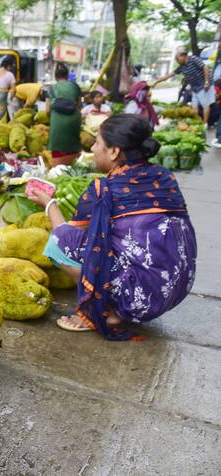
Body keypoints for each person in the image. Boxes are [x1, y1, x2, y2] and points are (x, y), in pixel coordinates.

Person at [28, 114, 197, 341]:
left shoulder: (103, 189)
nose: (93, 148)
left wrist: (50, 205)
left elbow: (66, 234)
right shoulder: (164, 176)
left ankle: (109, 311)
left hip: (139, 298)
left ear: (114, 152)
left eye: (97, 142)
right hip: (176, 289)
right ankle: (120, 302)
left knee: (57, 242)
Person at [152, 50, 213, 124]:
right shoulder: (181, 67)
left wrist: (207, 82)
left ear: (183, 56)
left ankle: (205, 123)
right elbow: (168, 76)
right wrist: (156, 82)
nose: (177, 61)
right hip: (195, 89)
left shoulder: (193, 59)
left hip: (203, 86)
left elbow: (205, 67)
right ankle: (196, 123)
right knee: (194, 108)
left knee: (205, 105)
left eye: (177, 59)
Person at [46, 63, 82, 166]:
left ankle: (58, 168)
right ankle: (72, 167)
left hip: (58, 119)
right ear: (67, 75)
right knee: (73, 143)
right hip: (74, 118)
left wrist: (52, 118)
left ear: (55, 76)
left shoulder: (52, 88)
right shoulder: (75, 86)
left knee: (57, 143)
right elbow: (79, 105)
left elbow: (47, 110)